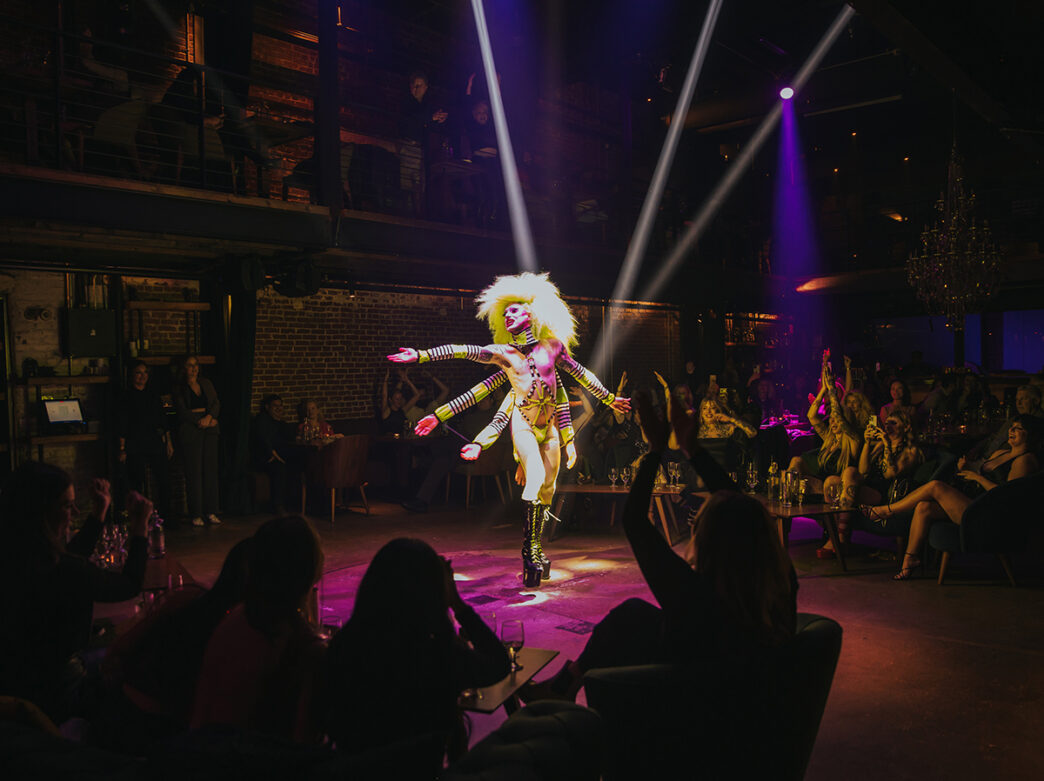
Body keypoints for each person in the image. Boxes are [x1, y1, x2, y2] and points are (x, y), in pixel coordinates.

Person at [522, 391, 796, 701]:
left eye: (698, 528)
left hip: (700, 705)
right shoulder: (782, 584)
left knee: (630, 620)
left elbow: (635, 521)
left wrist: (655, 450)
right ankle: (566, 684)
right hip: (756, 699)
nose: (693, 529)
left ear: (709, 545)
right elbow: (743, 511)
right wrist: (692, 449)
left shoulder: (698, 601)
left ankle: (566, 687)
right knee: (635, 615)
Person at [389, 272, 629, 587]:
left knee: (547, 490)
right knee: (535, 478)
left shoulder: (553, 348)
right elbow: (464, 350)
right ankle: (529, 549)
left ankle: (537, 546)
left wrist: (609, 399)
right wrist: (423, 356)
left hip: (550, 429)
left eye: (515, 309)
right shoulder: (505, 354)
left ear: (532, 313)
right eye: (505, 312)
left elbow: (582, 374)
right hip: (524, 426)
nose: (508, 314)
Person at [324, 539, 509, 768]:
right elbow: (499, 664)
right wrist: (457, 603)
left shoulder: (346, 645)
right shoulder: (437, 655)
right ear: (434, 593)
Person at [0, 463, 152, 722]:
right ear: (41, 512)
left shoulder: (17, 557)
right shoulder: (64, 571)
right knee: (141, 660)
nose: (74, 512)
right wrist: (139, 527)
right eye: (66, 505)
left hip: (15, 684)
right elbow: (129, 584)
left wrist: (100, 511)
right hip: (61, 692)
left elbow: (70, 557)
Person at [95, 538, 252, 751]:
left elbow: (120, 647)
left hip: (118, 711)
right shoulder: (234, 630)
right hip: (153, 736)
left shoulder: (189, 596)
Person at [191, 516, 325, 743]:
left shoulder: (236, 617)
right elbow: (304, 746)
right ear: (311, 570)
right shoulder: (306, 650)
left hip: (202, 756)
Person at [864, 415, 1042, 580]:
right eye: (1011, 427)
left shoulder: (1024, 461)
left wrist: (978, 478)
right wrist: (968, 467)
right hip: (974, 502)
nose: (1011, 431)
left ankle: (887, 510)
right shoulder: (1001, 453)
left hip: (991, 515)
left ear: (1030, 434)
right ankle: (909, 561)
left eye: (1018, 429)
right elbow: (979, 472)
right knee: (924, 507)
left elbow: (1007, 496)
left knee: (936, 487)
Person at [118, 360, 173, 522]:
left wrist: (168, 441)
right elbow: (122, 423)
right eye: (139, 373)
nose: (142, 376)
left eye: (145, 373)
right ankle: (140, 517)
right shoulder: (126, 396)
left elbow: (163, 420)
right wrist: (122, 448)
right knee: (137, 481)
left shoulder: (153, 395)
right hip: (135, 443)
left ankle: (165, 515)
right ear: (132, 375)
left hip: (154, 441)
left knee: (163, 479)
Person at [174, 355, 221, 526]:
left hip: (209, 428)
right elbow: (180, 410)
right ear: (183, 368)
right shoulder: (179, 388)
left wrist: (209, 417)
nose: (193, 369)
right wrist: (198, 420)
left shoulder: (206, 383)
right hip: (191, 431)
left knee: (210, 471)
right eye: (189, 365)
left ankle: (211, 511)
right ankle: (196, 513)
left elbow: (216, 403)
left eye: (196, 365)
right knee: (194, 472)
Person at [252, 394, 291, 513]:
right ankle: (278, 505)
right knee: (279, 469)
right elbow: (262, 440)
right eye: (275, 406)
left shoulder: (281, 423)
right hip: (264, 458)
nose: (279, 408)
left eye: (280, 406)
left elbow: (288, 439)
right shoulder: (261, 420)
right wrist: (271, 453)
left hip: (281, 456)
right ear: (267, 407)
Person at [379, 367, 421, 437]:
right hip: (388, 443)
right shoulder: (386, 412)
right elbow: (384, 396)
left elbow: (417, 395)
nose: (399, 401)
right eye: (397, 399)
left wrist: (407, 380)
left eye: (400, 398)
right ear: (391, 400)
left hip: (401, 442)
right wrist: (385, 380)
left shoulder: (403, 410)